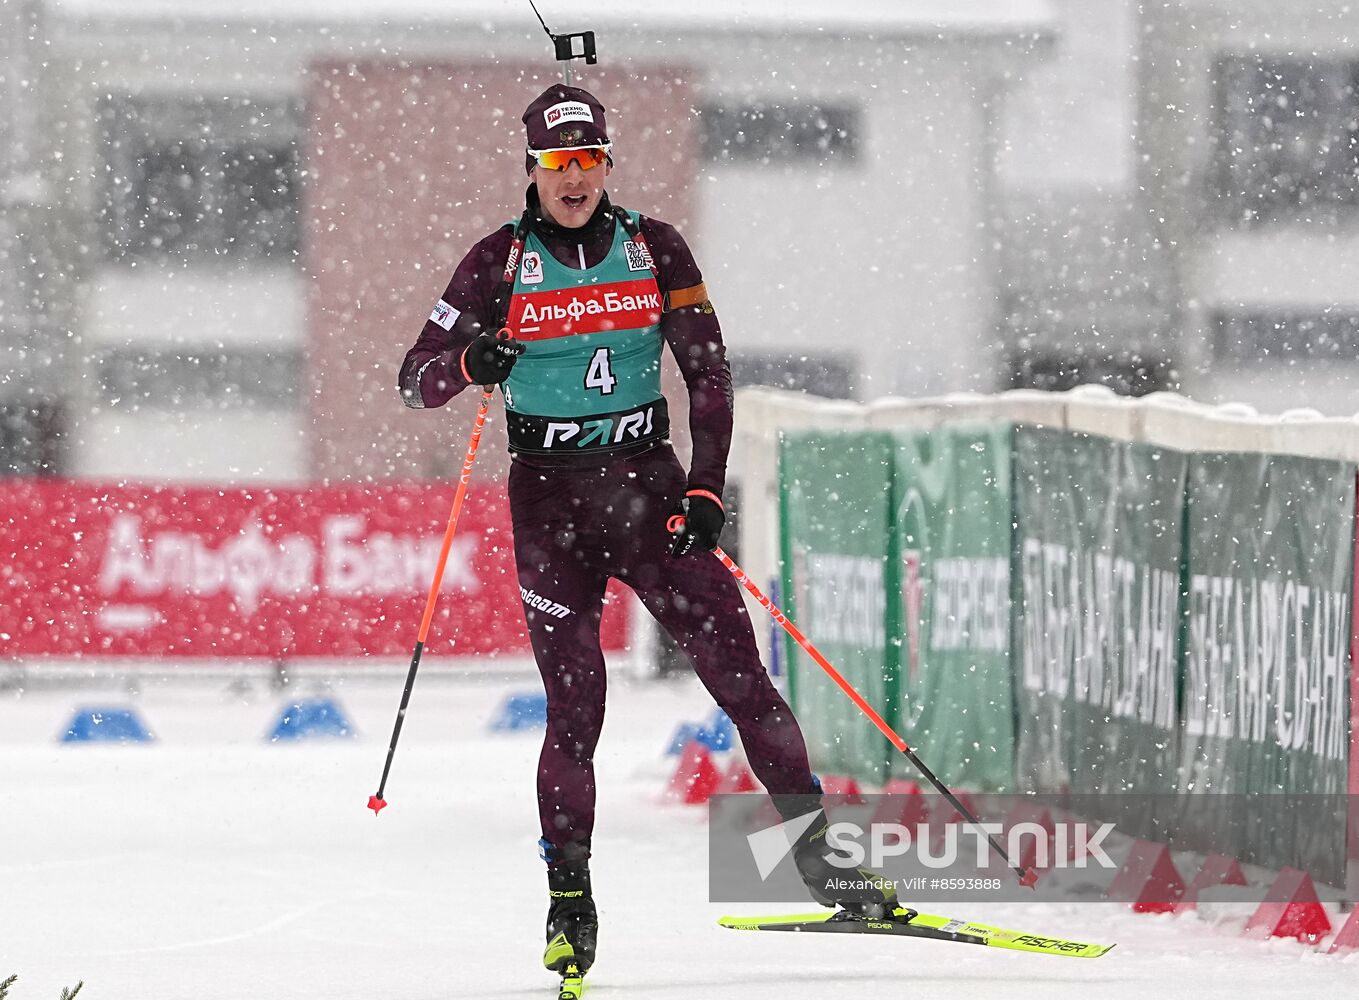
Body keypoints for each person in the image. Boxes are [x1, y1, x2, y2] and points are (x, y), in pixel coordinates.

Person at [398, 84, 894, 983]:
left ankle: (821, 866)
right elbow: (413, 380)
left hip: (648, 490)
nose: (574, 179)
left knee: (743, 680)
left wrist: (707, 488)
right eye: (557, 164)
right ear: (533, 171)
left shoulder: (652, 248)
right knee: (576, 711)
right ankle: (569, 903)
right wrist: (472, 361)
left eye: (588, 160)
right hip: (549, 506)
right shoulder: (498, 263)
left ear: (606, 163)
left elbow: (707, 375)